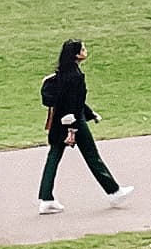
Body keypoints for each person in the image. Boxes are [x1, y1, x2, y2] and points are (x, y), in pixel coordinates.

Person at [36, 38, 119, 209]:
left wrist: (89, 113)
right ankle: (114, 191)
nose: (85, 51)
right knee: (91, 155)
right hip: (74, 121)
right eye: (83, 49)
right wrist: (73, 127)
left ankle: (46, 198)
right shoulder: (76, 76)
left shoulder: (62, 75)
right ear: (77, 54)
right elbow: (75, 102)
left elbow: (71, 100)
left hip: (60, 120)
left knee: (54, 156)